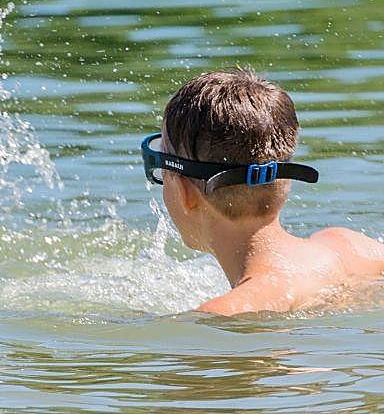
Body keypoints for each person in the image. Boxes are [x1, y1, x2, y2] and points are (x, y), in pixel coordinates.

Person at [142, 69, 384, 315]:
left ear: (185, 193)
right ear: (285, 179)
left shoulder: (227, 313)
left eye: (159, 164)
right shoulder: (349, 247)